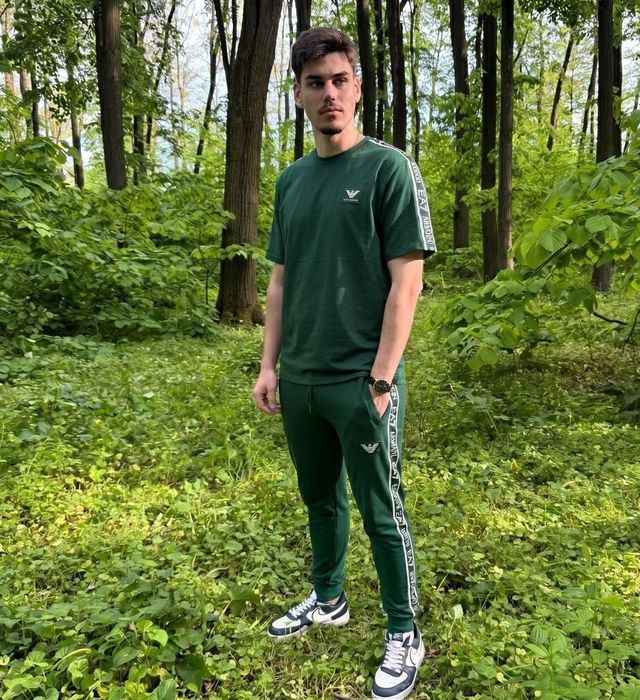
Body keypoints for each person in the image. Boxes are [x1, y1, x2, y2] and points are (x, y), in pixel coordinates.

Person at [252, 26, 436, 700]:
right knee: (319, 498)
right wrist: (269, 366)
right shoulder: (292, 182)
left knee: (382, 508)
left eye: (339, 80)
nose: (328, 93)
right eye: (315, 83)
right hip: (300, 378)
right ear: (299, 95)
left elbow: (407, 282)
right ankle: (328, 598)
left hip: (362, 378)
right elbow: (279, 282)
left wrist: (382, 377)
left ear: (356, 88)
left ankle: (403, 630)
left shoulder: (389, 169)